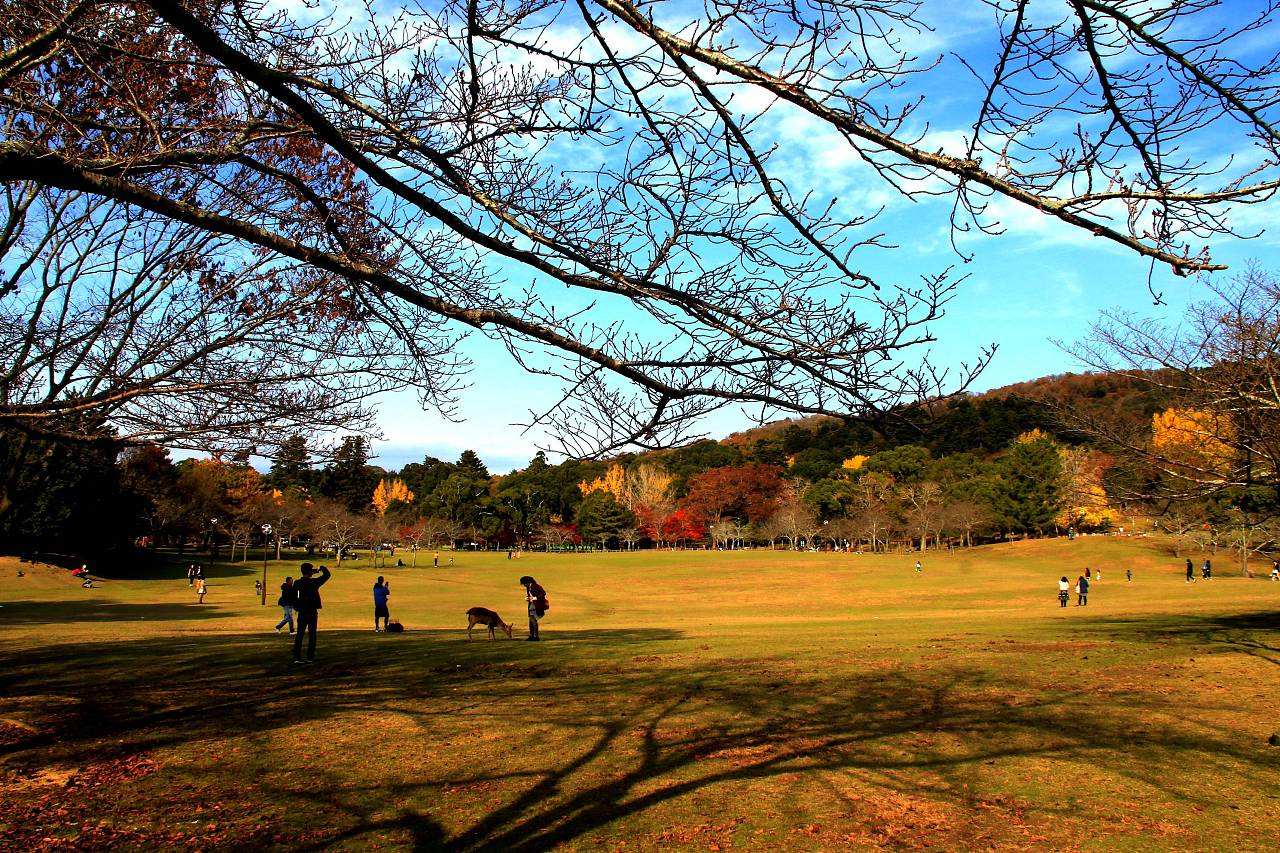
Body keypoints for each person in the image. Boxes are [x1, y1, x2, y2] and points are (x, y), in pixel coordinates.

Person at [292, 563, 332, 664]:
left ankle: (297, 657)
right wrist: (321, 568)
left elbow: (295, 596)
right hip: (312, 611)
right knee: (312, 635)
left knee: (299, 635)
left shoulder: (297, 583)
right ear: (310, 572)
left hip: (302, 611)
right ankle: (310, 657)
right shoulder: (313, 582)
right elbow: (327, 575)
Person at [520, 575, 548, 641]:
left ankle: (535, 636)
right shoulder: (529, 587)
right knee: (531, 621)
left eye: (524, 583)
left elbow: (543, 593)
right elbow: (530, 595)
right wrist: (528, 598)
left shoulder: (536, 586)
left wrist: (535, 598)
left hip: (536, 605)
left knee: (533, 620)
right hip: (532, 605)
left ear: (528, 582)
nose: (524, 585)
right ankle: (532, 635)